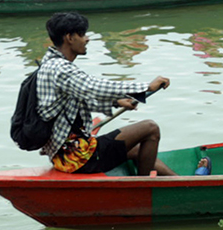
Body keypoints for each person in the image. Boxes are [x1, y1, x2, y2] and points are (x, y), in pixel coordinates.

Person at [36, 11, 175, 176]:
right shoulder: (61, 68)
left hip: (63, 155)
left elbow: (77, 98)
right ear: (69, 38)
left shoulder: (47, 65)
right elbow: (94, 86)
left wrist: (116, 102)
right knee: (151, 128)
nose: (87, 39)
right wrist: (146, 87)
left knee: (136, 149)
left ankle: (180, 181)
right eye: (82, 34)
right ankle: (144, 186)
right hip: (78, 157)